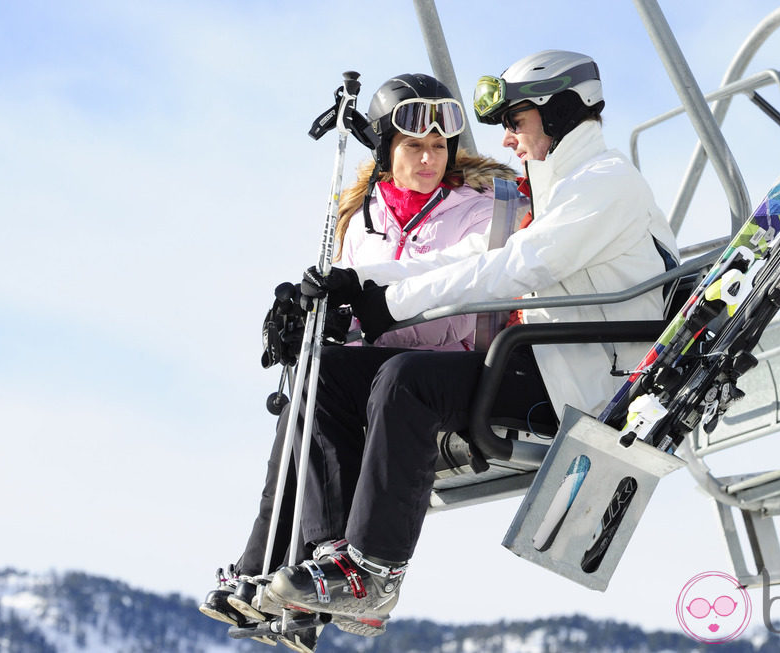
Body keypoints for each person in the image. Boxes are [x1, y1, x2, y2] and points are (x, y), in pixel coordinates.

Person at [262, 49, 679, 639]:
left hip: (584, 383)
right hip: (542, 362)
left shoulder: (605, 185)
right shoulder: (563, 190)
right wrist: (354, 286)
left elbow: (518, 268)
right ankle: (327, 558)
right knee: (327, 371)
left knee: (409, 379)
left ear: (559, 113)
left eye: (517, 121)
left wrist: (391, 305)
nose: (507, 138)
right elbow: (466, 260)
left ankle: (376, 572)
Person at [198, 73, 516, 648]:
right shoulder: (362, 222)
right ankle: (295, 565)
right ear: (385, 150)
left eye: (439, 148)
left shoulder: (476, 212)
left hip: (456, 365)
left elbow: (455, 293)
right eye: (414, 147)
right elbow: (356, 318)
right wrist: (313, 320)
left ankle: (326, 567)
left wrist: (363, 292)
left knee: (389, 374)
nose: (428, 159)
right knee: (317, 374)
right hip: (387, 368)